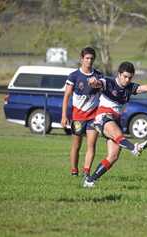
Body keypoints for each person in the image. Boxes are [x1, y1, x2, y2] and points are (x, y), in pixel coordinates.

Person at [83, 61, 147, 187]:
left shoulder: (130, 87)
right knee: (118, 134)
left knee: (113, 155)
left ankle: (90, 180)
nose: (127, 80)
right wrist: (93, 81)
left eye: (130, 77)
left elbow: (143, 88)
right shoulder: (108, 82)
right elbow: (98, 83)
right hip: (103, 117)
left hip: (115, 120)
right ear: (119, 74)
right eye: (125, 76)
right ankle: (134, 148)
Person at [61, 47, 103, 177]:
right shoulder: (74, 76)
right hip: (78, 117)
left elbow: (103, 90)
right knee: (76, 145)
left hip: (93, 117)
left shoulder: (98, 75)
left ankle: (86, 172)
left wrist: (97, 84)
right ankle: (74, 170)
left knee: (91, 145)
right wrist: (64, 115)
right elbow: (67, 96)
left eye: (91, 58)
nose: (89, 61)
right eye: (87, 58)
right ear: (82, 59)